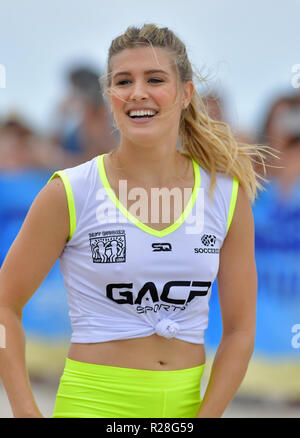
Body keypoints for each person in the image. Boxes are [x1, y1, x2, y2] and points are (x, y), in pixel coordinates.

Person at [0, 24, 268, 418]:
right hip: (91, 404)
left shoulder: (225, 195)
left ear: (185, 93)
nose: (138, 92)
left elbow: (241, 331)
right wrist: (24, 411)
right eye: (124, 81)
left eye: (155, 79)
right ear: (111, 96)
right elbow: (5, 305)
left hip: (184, 407)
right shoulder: (70, 192)